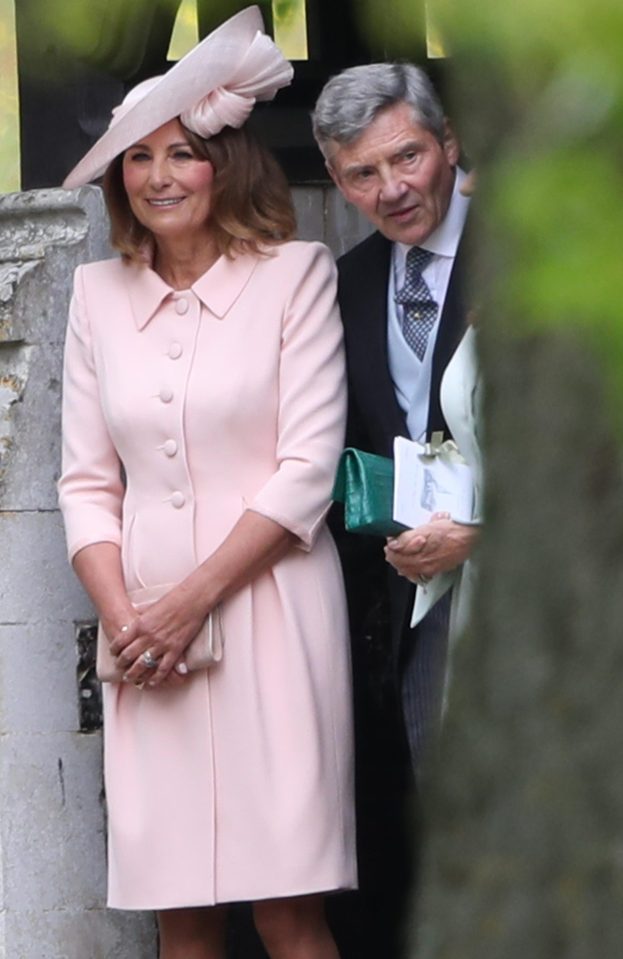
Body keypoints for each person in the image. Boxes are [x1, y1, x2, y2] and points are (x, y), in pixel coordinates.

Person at [58, 8, 356, 959]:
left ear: (223, 164)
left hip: (272, 609)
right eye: (136, 159)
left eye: (180, 153)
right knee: (179, 910)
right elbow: (84, 482)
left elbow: (307, 467)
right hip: (143, 635)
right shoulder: (96, 296)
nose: (156, 177)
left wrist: (188, 602)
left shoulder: (296, 275)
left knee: (288, 905)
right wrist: (130, 621)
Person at [312, 62, 480, 777]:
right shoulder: (343, 283)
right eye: (360, 174)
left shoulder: (533, 256)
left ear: (448, 141)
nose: (391, 189)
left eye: (406, 156)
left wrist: (478, 531)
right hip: (408, 611)